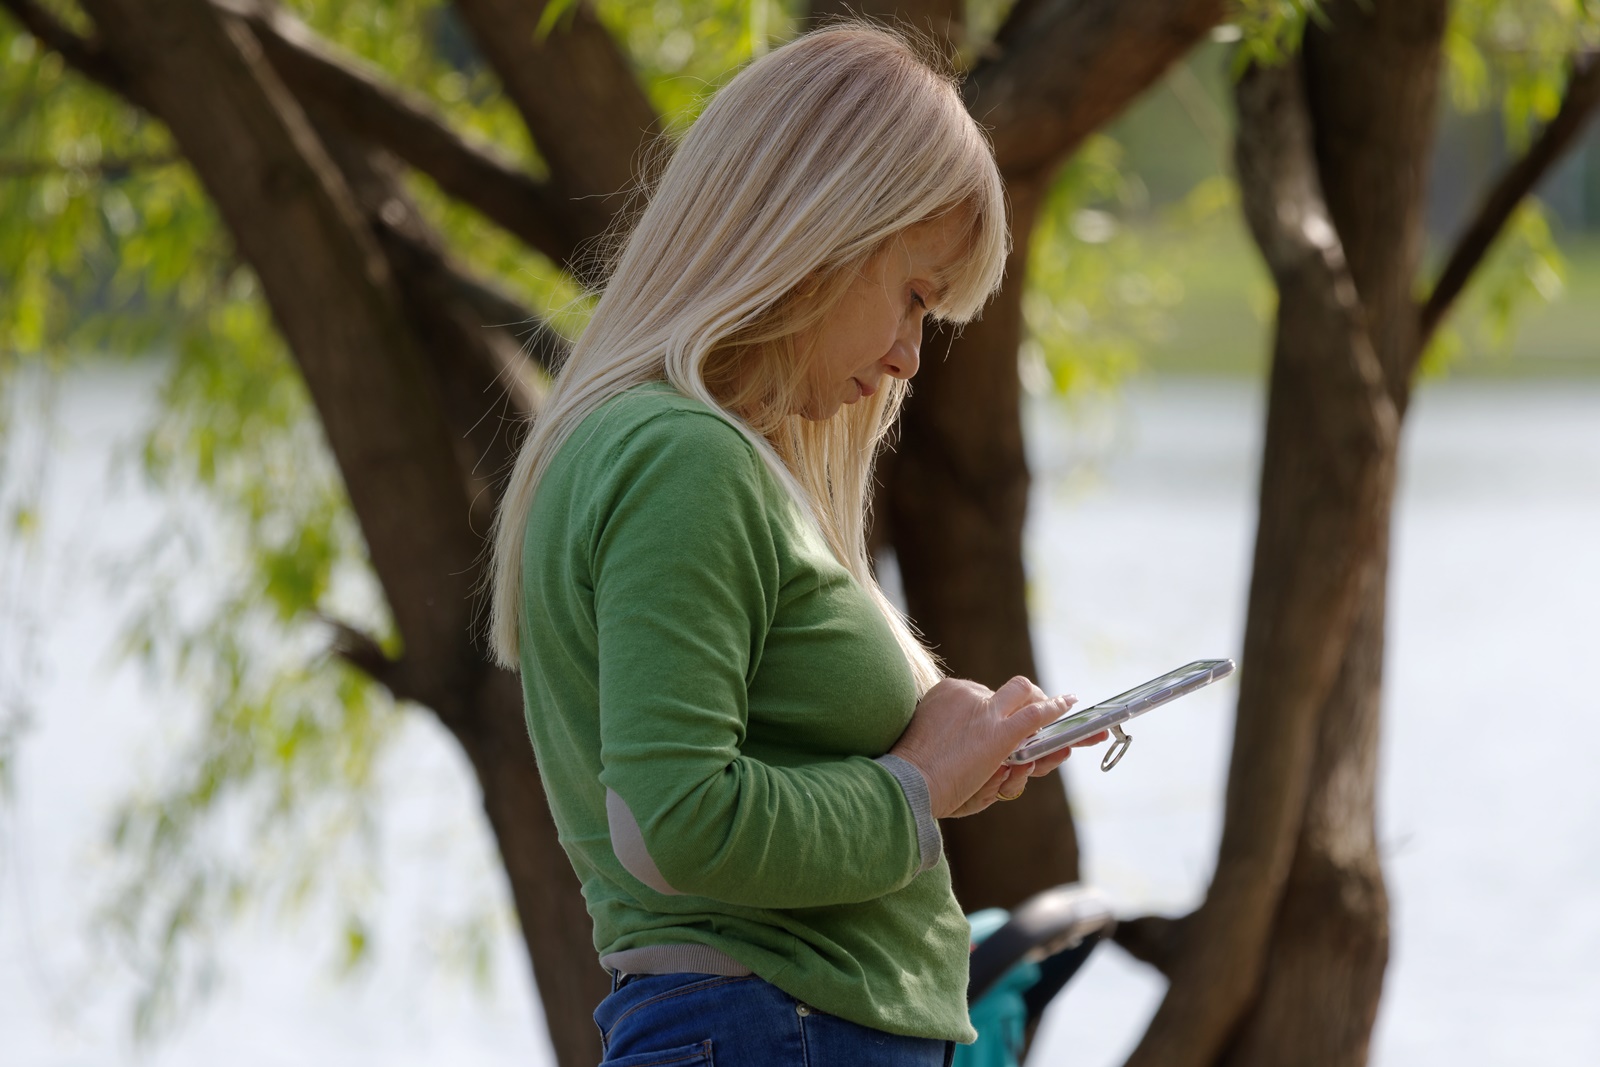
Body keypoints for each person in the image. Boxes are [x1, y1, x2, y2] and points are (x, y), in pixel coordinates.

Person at [487, 23, 1095, 1067]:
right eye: (911, 295)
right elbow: (675, 819)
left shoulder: (670, 449)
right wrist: (917, 785)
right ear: (821, 228)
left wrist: (935, 742)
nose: (909, 357)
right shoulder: (682, 456)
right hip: (778, 1031)